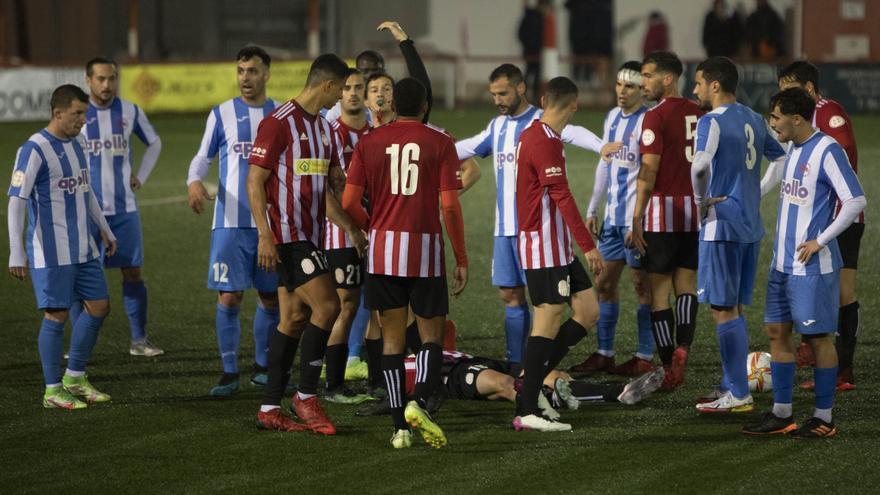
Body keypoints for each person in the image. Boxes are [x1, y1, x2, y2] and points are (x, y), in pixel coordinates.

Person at [455, 63, 619, 376]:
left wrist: (601, 146)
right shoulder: (497, 127)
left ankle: (532, 369)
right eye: (493, 94)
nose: (497, 100)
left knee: (545, 304)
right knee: (511, 295)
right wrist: (430, 151)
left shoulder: (541, 123)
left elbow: (573, 131)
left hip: (539, 231)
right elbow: (466, 147)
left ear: (521, 88)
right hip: (506, 228)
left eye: (502, 93)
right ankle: (519, 365)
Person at [342, 77, 468, 450]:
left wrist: (372, 228)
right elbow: (449, 205)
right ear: (425, 106)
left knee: (392, 340)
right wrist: (461, 256)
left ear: (393, 104)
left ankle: (399, 428)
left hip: (382, 252)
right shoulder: (441, 141)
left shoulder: (368, 142)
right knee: (430, 336)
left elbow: (349, 203)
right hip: (426, 252)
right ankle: (421, 401)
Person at [249, 53, 366, 435]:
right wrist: (265, 234)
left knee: (294, 320)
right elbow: (254, 181)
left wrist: (350, 226)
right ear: (328, 85)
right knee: (329, 305)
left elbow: (325, 191)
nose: (342, 98)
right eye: (340, 90)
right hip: (287, 238)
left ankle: (269, 408)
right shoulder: (278, 123)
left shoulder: (324, 129)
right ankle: (306, 396)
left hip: (311, 237)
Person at [743, 88, 865, 437]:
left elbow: (855, 200)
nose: (773, 123)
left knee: (817, 339)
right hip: (782, 264)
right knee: (777, 334)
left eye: (777, 117)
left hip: (812, 267)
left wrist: (821, 240)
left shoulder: (827, 150)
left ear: (797, 118)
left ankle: (824, 418)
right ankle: (782, 414)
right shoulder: (791, 148)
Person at [7, 84, 117, 409]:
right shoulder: (34, 149)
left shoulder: (79, 142)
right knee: (55, 315)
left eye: (85, 114)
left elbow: (87, 191)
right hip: (51, 250)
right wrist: (16, 250)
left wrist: (106, 230)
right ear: (58, 113)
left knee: (99, 306)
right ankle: (53, 390)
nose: (84, 120)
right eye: (78, 114)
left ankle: (75, 377)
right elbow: (16, 202)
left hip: (84, 247)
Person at [689, 56, 787, 413]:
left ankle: (739, 394)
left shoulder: (711, 121)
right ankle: (731, 384)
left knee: (722, 309)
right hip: (749, 225)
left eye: (699, 83)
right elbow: (781, 158)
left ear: (715, 85)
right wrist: (756, 191)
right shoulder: (754, 117)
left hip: (721, 227)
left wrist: (701, 201)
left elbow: (699, 164)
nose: (694, 89)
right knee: (736, 307)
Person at [186, 46, 279, 396]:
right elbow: (201, 157)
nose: (245, 78)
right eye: (241, 71)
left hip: (269, 225)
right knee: (229, 297)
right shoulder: (222, 113)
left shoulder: (279, 114)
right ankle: (228, 372)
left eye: (252, 71)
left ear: (266, 74)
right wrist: (194, 181)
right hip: (229, 222)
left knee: (271, 298)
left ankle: (262, 366)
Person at [513, 76, 604, 433]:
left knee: (588, 311)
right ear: (574, 105)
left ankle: (531, 380)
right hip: (544, 247)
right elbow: (562, 197)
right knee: (548, 321)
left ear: (542, 99)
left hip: (557, 246)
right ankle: (527, 405)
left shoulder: (537, 134)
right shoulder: (543, 140)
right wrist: (589, 246)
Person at [776, 61, 862, 391]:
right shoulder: (796, 118)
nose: (785, 96)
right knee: (812, 290)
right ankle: (815, 351)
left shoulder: (830, 113)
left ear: (809, 89)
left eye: (790, 89)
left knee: (842, 293)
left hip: (842, 219)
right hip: (810, 220)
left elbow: (842, 155)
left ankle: (844, 369)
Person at [77, 57, 163, 357]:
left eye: (112, 78)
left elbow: (154, 142)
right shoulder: (78, 113)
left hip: (124, 210)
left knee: (133, 272)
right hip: (87, 212)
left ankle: (139, 341)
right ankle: (78, 345)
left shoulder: (129, 110)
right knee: (83, 276)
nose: (107, 84)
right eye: (100, 78)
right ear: (88, 80)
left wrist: (141, 176)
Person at [629, 51, 704, 391]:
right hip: (694, 212)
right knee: (686, 285)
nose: (641, 82)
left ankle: (666, 364)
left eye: (647, 75)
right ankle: (684, 347)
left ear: (667, 79)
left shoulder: (654, 116)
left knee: (659, 293)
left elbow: (650, 170)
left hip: (662, 213)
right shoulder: (700, 112)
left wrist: (636, 217)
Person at [576, 61, 654, 376]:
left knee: (642, 286)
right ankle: (605, 353)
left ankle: (644, 355)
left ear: (642, 90)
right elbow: (604, 164)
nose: (622, 91)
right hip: (611, 219)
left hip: (637, 221)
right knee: (604, 283)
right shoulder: (611, 118)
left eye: (630, 86)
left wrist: (641, 217)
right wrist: (593, 208)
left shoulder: (649, 122)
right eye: (619, 85)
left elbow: (651, 172)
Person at [321, 67, 373, 404]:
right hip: (342, 234)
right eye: (347, 88)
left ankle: (378, 379)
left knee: (379, 306)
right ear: (339, 94)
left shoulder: (378, 130)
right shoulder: (330, 131)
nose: (352, 93)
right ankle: (332, 384)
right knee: (345, 305)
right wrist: (350, 227)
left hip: (378, 230)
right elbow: (327, 188)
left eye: (358, 88)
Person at [518, 0, 545, 102]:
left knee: (534, 74)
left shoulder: (531, 16)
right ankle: (525, 96)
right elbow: (521, 33)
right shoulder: (533, 17)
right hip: (532, 50)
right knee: (531, 73)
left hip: (535, 50)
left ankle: (531, 96)